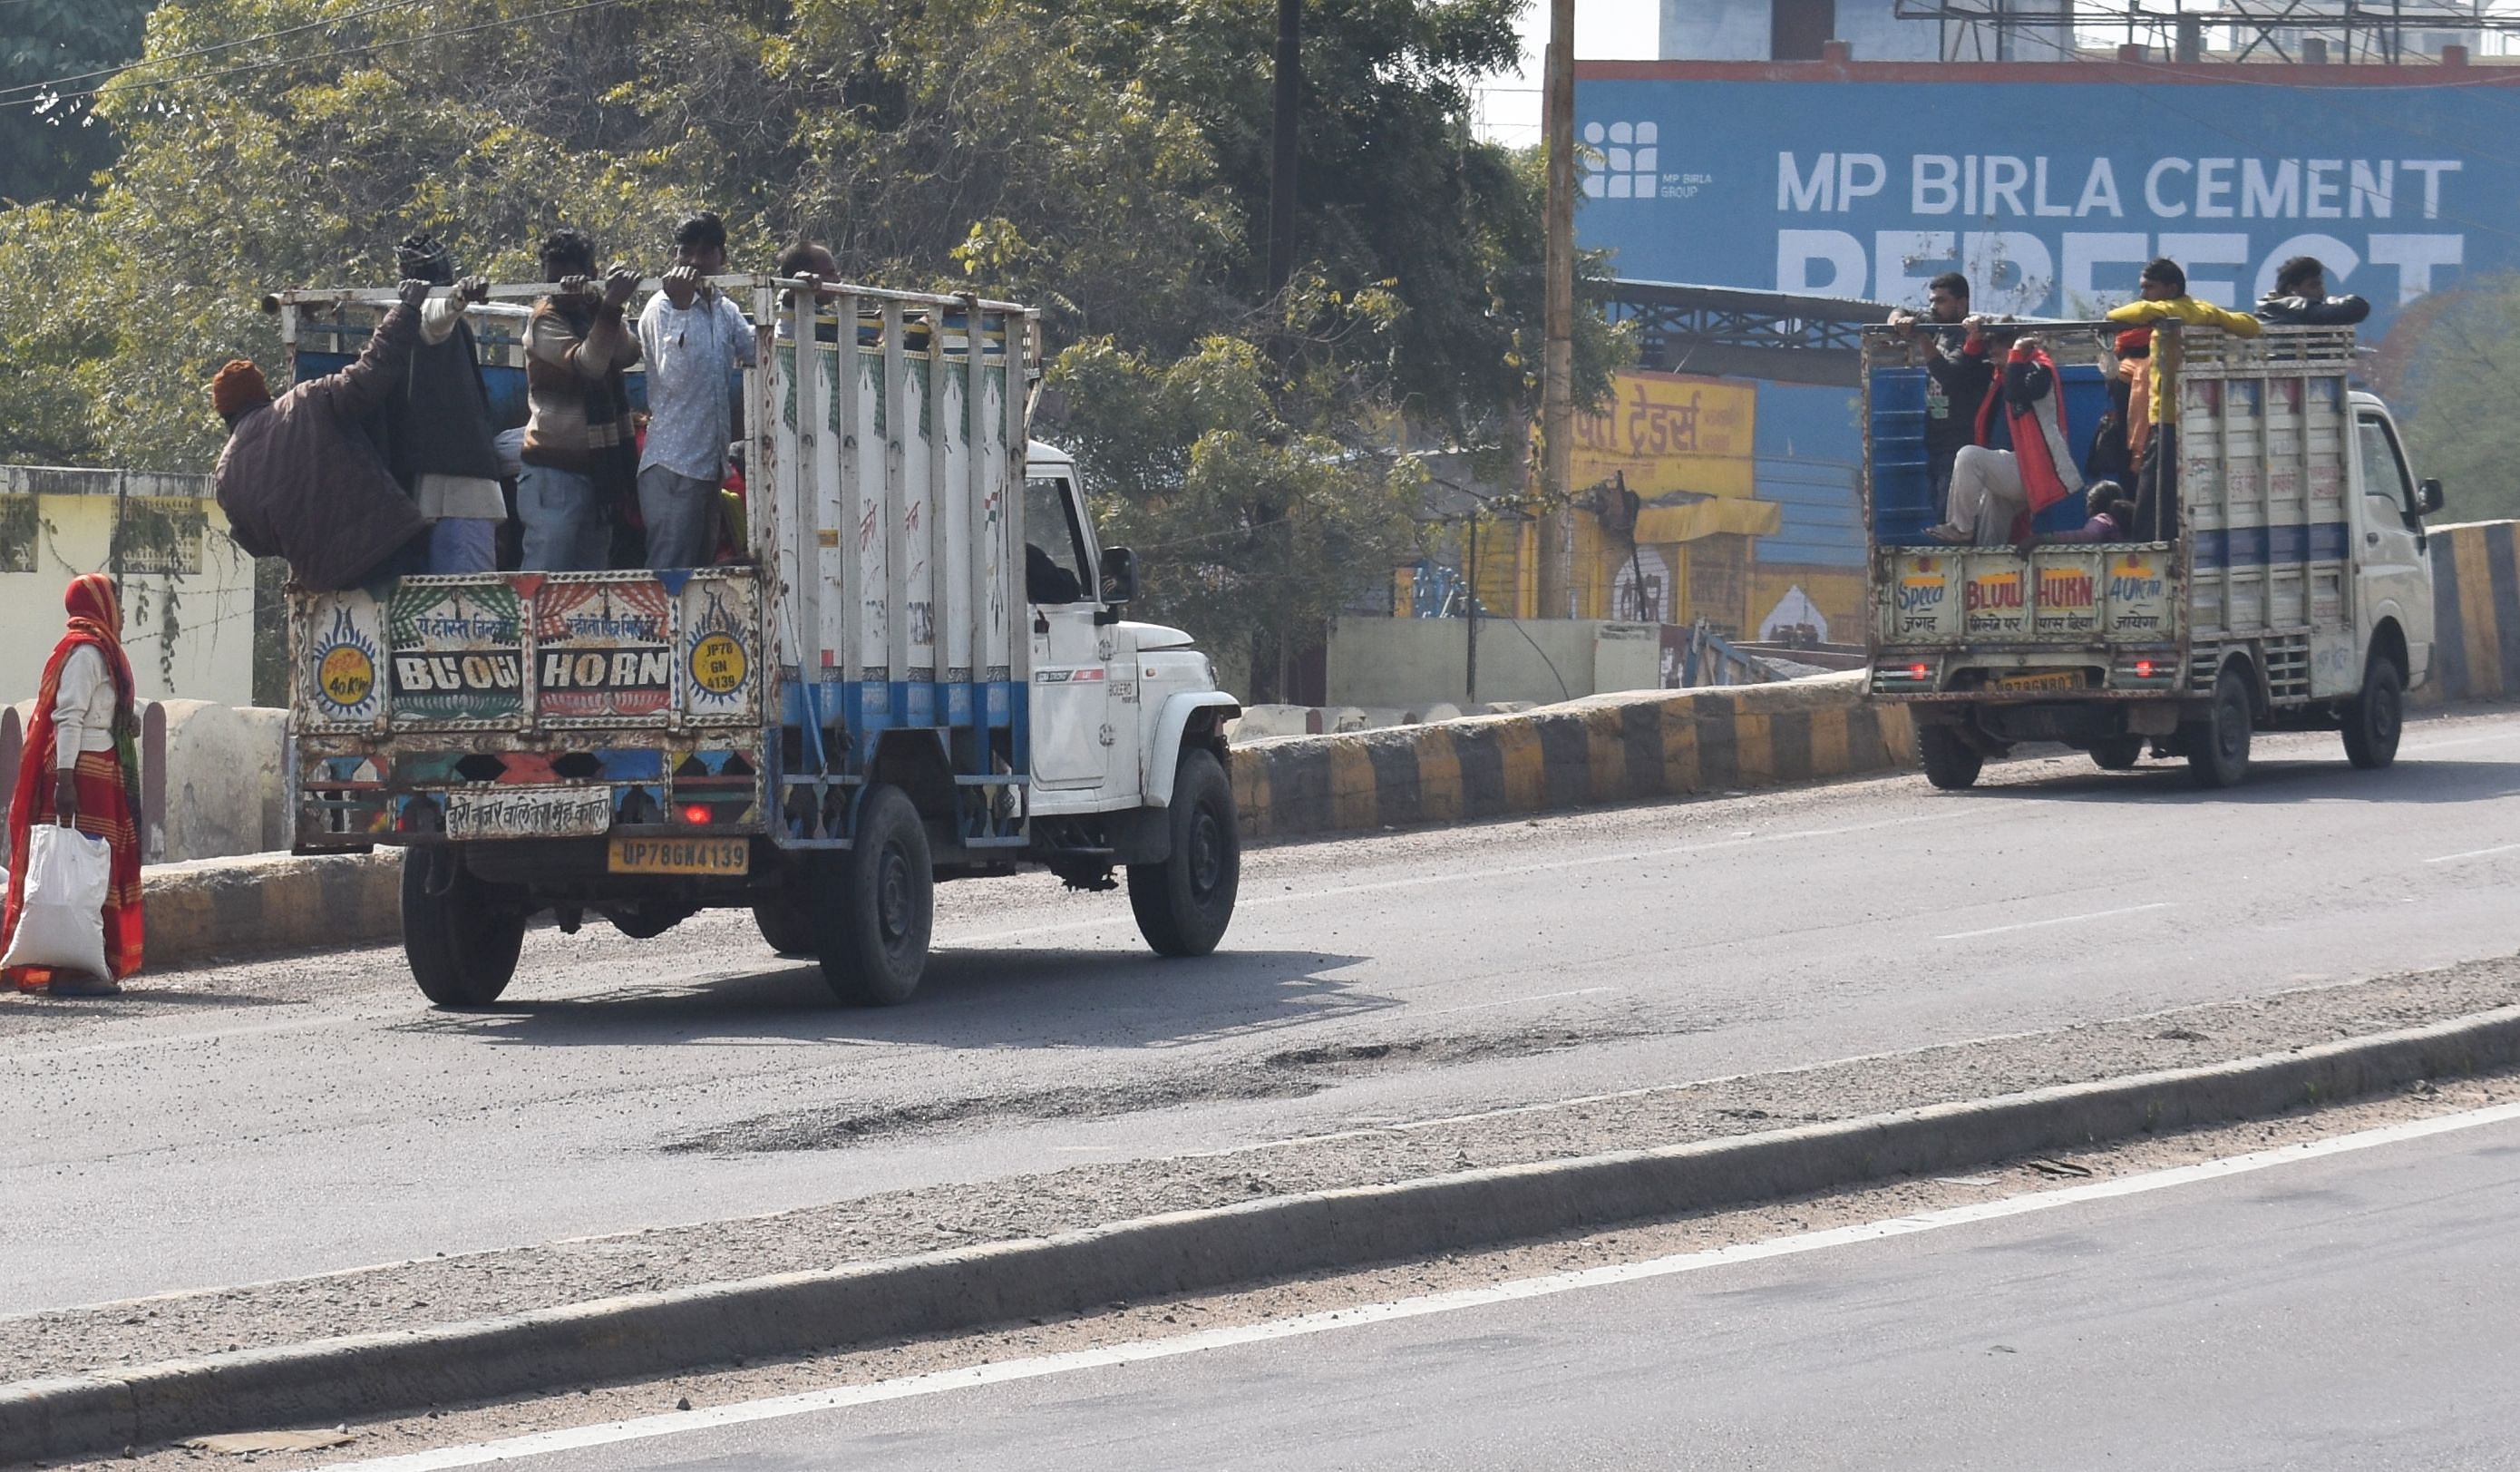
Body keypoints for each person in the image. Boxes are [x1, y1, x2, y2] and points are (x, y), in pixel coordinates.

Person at [212, 278, 434, 590]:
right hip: (389, 548)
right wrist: (406, 310)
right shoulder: (306, 400)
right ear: (265, 394)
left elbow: (254, 543)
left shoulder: (227, 474)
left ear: (223, 415)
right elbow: (372, 373)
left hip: (324, 580)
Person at [4, 574, 145, 996]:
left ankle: (88, 963)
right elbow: (69, 717)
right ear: (100, 603)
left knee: (95, 866)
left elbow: (99, 713)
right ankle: (70, 970)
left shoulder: (104, 651)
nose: (121, 611)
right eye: (115, 601)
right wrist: (66, 781)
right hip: (82, 774)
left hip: (100, 767)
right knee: (82, 868)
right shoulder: (86, 652)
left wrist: (125, 722)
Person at [372, 234, 507, 573]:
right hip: (457, 496)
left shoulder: (416, 322)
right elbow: (437, 312)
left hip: (454, 494)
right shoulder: (419, 319)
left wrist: (457, 298)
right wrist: (456, 297)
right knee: (466, 607)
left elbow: (439, 311)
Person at [2106, 258, 2263, 540]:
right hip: (2195, 417)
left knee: (2153, 493)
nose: (2144, 294)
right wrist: (2214, 316)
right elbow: (2250, 325)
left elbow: (2119, 315)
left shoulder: (2171, 311)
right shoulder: (2203, 310)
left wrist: (2154, 312)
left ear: (2171, 288)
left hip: (2167, 419)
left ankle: (2147, 549)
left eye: (2149, 287)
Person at [636, 212, 756, 570]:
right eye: (686, 252)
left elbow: (758, 353)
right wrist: (683, 308)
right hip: (674, 466)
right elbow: (673, 375)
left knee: (700, 574)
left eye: (705, 253)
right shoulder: (661, 309)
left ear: (722, 259)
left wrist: (793, 305)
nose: (694, 262)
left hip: (708, 467)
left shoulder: (724, 309)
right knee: (671, 572)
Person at [520, 229, 642, 570]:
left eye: (570, 278)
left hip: (598, 473)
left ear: (592, 274)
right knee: (546, 575)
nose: (563, 289)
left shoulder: (597, 311)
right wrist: (611, 308)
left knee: (590, 580)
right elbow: (588, 364)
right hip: (553, 472)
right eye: (554, 280)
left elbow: (628, 353)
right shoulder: (545, 319)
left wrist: (608, 304)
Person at [1922, 333, 2081, 546]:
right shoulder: (1999, 376)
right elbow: (1955, 375)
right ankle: (1988, 571)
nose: (1990, 353)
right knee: (1990, 527)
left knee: (1969, 457)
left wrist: (2016, 353)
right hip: (2009, 470)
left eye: (1996, 347)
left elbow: (2016, 393)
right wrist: (1973, 336)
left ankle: (1960, 527)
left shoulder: (2039, 370)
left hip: (2032, 469)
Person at [1887, 271, 1993, 506]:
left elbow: (1949, 375)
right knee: (1939, 510)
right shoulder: (1938, 327)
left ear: (1961, 303)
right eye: (1932, 300)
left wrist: (1921, 338)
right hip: (1936, 442)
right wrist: (1898, 321)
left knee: (1952, 514)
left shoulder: (1971, 337)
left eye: (1941, 301)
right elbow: (1901, 312)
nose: (1934, 307)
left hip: (1961, 445)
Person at [2257, 255, 2371, 327]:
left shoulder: (2265, 310)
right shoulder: (2297, 308)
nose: (2322, 292)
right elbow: (2357, 307)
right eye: (2313, 286)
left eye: (2321, 285)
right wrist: (2332, 302)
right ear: (2292, 290)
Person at [2019, 480, 2134, 550]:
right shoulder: (2126, 524)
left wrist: (2043, 538)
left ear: (2094, 503)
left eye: (2089, 501)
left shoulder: (2103, 520)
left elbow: (2087, 536)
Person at [775, 237, 844, 342]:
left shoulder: (820, 313)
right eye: (830, 273)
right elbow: (789, 300)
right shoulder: (790, 305)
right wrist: (798, 286)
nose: (837, 280)